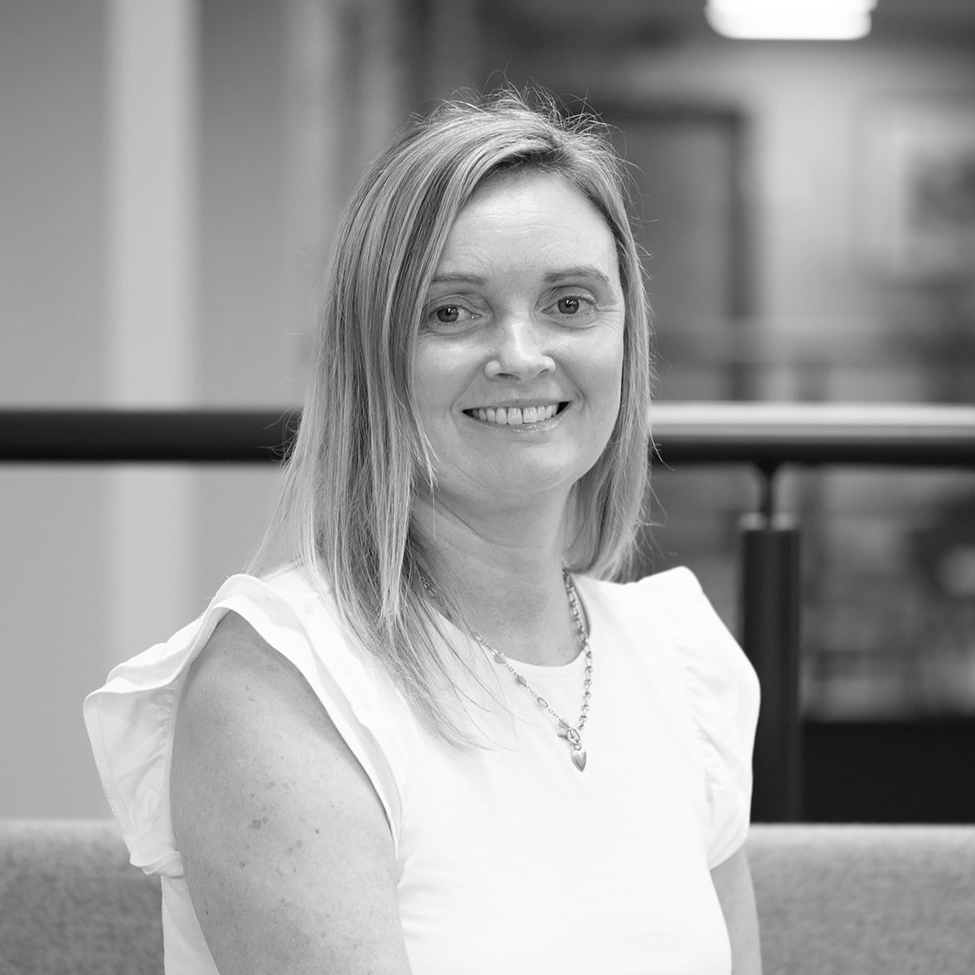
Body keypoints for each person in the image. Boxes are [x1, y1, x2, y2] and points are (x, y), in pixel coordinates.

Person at [85, 89, 762, 975]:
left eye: (569, 302)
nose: (522, 354)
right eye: (452, 311)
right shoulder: (284, 682)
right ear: (374, 358)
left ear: (625, 338)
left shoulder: (679, 663)